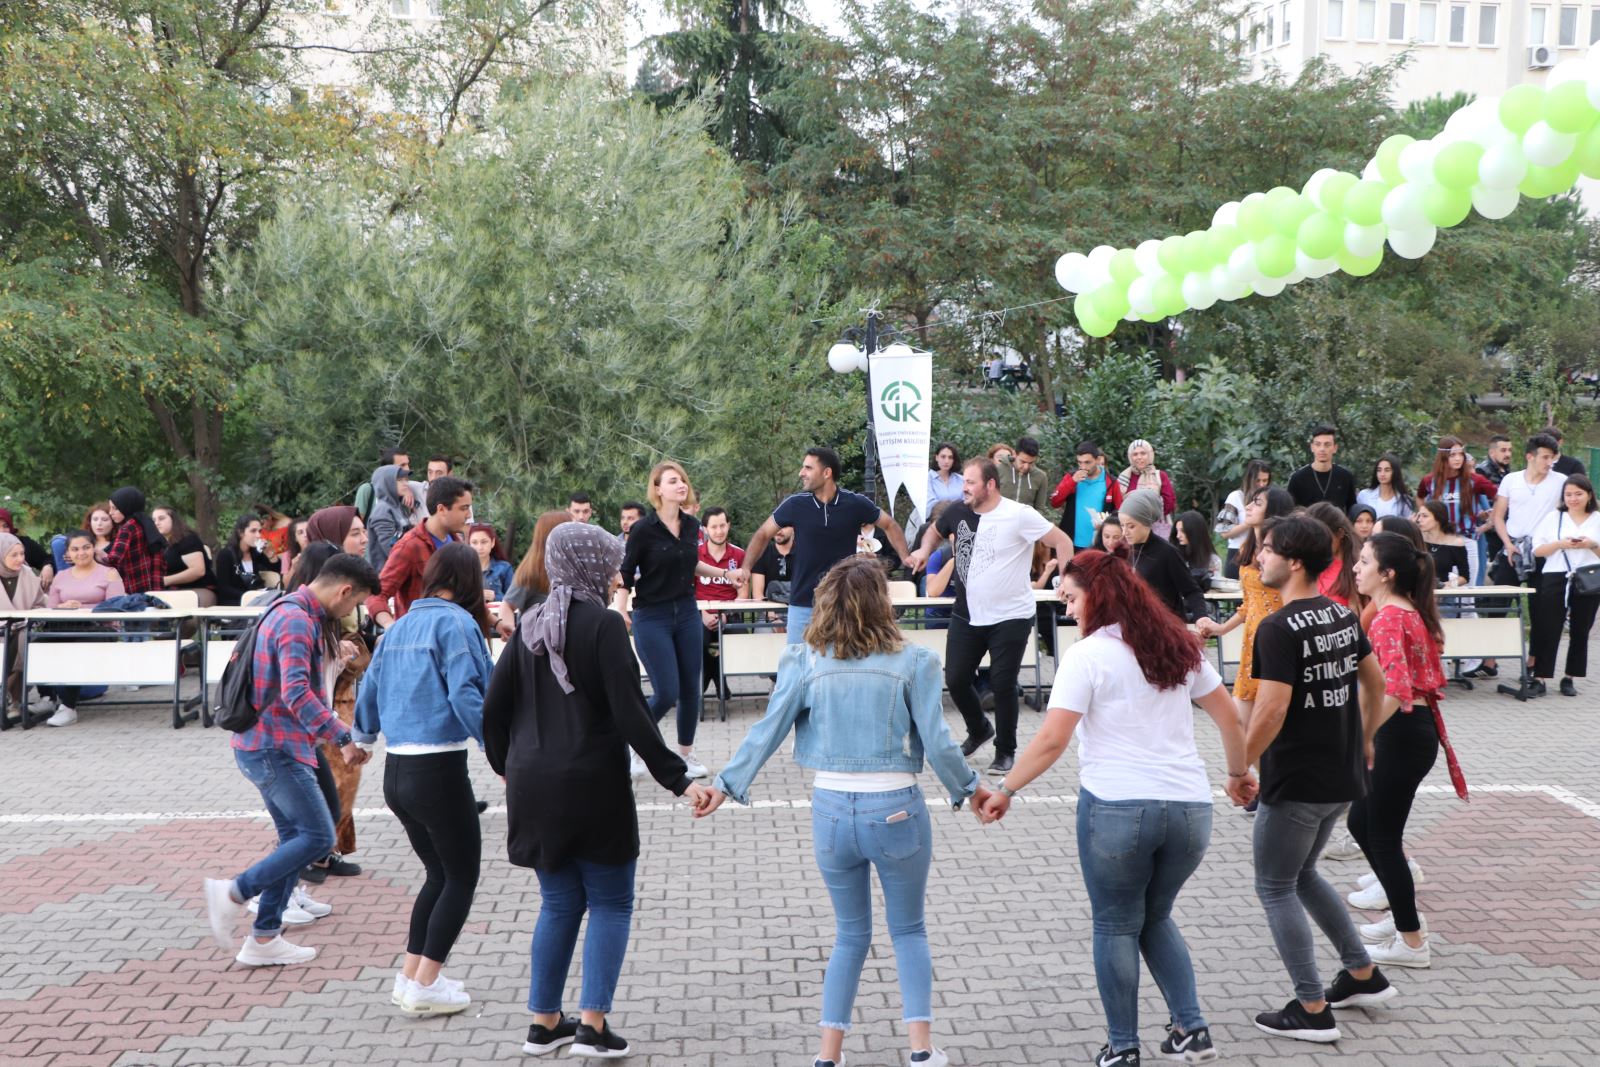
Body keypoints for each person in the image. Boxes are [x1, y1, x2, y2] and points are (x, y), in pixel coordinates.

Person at [703, 555, 986, 1067]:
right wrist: (970, 789)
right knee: (909, 930)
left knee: (850, 935)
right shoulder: (915, 661)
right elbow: (941, 744)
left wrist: (725, 785)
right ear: (883, 603)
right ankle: (921, 1049)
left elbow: (766, 730)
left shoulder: (805, 659)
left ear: (826, 602)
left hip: (830, 811)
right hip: (897, 809)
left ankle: (827, 1056)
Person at [977, 550, 1256, 1067]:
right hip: (1191, 812)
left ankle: (1123, 1046)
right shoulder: (1179, 645)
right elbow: (1230, 721)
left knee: (1115, 924)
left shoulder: (1087, 656)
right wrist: (1239, 774)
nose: (1068, 609)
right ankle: (1191, 1029)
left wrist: (1006, 789)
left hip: (1118, 810)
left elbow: (1052, 740)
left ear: (1098, 595)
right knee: (1155, 915)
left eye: (1072, 597)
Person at [482, 523, 712, 1059]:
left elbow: (493, 711)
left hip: (534, 786)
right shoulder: (605, 626)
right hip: (592, 785)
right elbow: (632, 714)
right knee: (610, 903)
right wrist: (678, 780)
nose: (615, 576)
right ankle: (592, 1025)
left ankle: (542, 1024)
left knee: (558, 904)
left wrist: (507, 767)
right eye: (609, 565)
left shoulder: (531, 624)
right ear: (585, 565)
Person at [1244, 514, 1395, 1042]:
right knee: (1304, 874)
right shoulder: (1340, 614)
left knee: (1274, 885)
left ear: (1295, 562)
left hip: (1298, 781)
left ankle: (1311, 1008)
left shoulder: (1278, 627)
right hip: (1341, 776)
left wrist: (1240, 766)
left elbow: (1270, 710)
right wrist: (1367, 737)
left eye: (1267, 549)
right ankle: (1361, 973)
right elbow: (1376, 683)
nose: (1259, 557)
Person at [203, 554, 380, 967]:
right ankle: (233, 892)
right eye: (355, 604)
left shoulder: (287, 610)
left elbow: (302, 691)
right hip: (274, 748)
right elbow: (297, 693)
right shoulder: (298, 620)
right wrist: (343, 737)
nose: (351, 612)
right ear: (344, 591)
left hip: (270, 744)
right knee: (318, 837)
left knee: (296, 840)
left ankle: (263, 940)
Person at [354, 544, 494, 1016]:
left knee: (438, 874)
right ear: (468, 580)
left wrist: (363, 738)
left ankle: (411, 976)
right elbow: (467, 694)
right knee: (460, 877)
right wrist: (499, 748)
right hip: (439, 768)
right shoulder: (458, 623)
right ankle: (425, 985)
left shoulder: (400, 626)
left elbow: (369, 686)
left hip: (397, 771)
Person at [905, 458, 1073, 774]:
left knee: (1002, 682)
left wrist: (1067, 580)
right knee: (955, 678)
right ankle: (979, 729)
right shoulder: (957, 511)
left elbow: (1061, 541)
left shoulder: (1019, 515)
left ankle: (1005, 751)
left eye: (970, 482)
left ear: (990, 485)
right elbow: (934, 533)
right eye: (964, 482)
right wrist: (923, 552)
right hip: (967, 614)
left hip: (1010, 616)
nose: (963, 488)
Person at [1347, 532, 1468, 971]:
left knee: (1381, 836)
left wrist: (1362, 739)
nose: (1356, 568)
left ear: (1388, 573)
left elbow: (1395, 689)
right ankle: (1404, 919)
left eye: (1364, 561)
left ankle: (1412, 942)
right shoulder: (1403, 610)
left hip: (1402, 733)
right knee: (1362, 823)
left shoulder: (1388, 618)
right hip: (1411, 732)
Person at [619, 463, 738, 779]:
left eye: (682, 479)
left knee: (690, 690)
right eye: (673, 481)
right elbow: (627, 571)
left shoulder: (692, 525)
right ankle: (632, 746)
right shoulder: (643, 529)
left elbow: (692, 563)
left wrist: (726, 573)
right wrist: (619, 608)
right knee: (666, 691)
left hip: (686, 612)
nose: (681, 484)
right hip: (651, 616)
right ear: (658, 489)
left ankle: (686, 755)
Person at [733, 447, 913, 643]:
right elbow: (762, 534)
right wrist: (746, 567)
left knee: (839, 663)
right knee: (798, 664)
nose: (802, 473)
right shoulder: (795, 504)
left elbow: (890, 524)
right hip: (802, 604)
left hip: (843, 603)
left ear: (827, 473)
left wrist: (905, 557)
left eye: (808, 468)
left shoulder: (855, 503)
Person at [1197, 485, 1295, 731]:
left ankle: (1251, 769)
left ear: (1274, 511)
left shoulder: (1286, 552)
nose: (1248, 507)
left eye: (1257, 503)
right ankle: (1248, 769)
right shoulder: (1247, 548)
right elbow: (1249, 603)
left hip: (1277, 636)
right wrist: (1220, 628)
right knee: (1240, 722)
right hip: (1252, 638)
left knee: (1270, 721)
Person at [1491, 434, 1567, 694]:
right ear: (1530, 456)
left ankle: (1534, 661)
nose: (1549, 462)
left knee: (1540, 610)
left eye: (1553, 457)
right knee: (1497, 601)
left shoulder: (1560, 482)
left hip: (1543, 551)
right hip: (1513, 548)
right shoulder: (1511, 480)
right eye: (1545, 457)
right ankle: (1489, 658)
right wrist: (1507, 544)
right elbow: (1498, 516)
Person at [36, 531, 127, 726]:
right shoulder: (61, 576)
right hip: (64, 627)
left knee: (73, 648)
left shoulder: (109, 573)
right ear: (68, 553)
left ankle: (68, 708)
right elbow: (51, 609)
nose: (81, 553)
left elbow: (116, 608)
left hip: (99, 629)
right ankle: (47, 698)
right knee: (37, 644)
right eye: (75, 549)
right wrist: (62, 607)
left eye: (86, 547)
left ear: (93, 548)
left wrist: (83, 608)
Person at [367, 476, 475, 629]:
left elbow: (471, 598)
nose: (469, 515)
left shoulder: (458, 545)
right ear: (442, 509)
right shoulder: (410, 546)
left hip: (455, 637)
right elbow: (377, 594)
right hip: (418, 641)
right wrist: (391, 627)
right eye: (464, 508)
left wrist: (496, 623)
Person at [1529, 475, 1600, 697]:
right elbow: (1537, 550)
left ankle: (1570, 677)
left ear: (1589, 494)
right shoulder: (1554, 517)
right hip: (1556, 575)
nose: (1573, 498)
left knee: (1581, 629)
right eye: (1568, 494)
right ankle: (1540, 677)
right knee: (1548, 627)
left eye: (1578, 494)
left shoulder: (1597, 519)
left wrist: (1591, 545)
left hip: (1588, 577)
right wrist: (1561, 544)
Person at [1417, 436, 1498, 588]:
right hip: (1439, 541)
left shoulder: (1475, 480)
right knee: (1441, 589)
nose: (1458, 458)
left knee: (1467, 593)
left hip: (1466, 540)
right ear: (1443, 456)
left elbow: (1499, 497)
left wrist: (1490, 522)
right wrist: (1423, 518)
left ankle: (1468, 612)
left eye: (1461, 454)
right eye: (1453, 454)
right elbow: (1420, 497)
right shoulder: (1429, 481)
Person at [1118, 489, 1207, 622]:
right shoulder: (1123, 551)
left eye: (1131, 526)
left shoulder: (1167, 552)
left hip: (1167, 627)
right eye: (1122, 526)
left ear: (1147, 523)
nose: (1125, 532)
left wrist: (1201, 617)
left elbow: (1191, 590)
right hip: (1136, 627)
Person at [695, 507, 746, 703]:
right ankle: (719, 681)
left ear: (728, 526)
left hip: (729, 614)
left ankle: (709, 680)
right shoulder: (695, 556)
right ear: (705, 529)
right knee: (703, 638)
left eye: (722, 525)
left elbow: (743, 593)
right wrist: (703, 614)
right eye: (714, 527)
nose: (719, 531)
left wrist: (725, 613)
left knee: (716, 637)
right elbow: (687, 592)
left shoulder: (739, 555)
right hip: (701, 614)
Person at [0, 533, 50, 717]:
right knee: (15, 639)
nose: (20, 559)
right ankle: (13, 699)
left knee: (23, 639)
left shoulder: (27, 573)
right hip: (1, 631)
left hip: (23, 628)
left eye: (22, 554)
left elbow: (39, 604)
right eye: (14, 555)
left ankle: (10, 695)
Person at [1051, 441, 1126, 553]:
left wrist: (1106, 522)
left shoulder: (1111, 482)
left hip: (1099, 544)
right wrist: (1072, 482)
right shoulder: (1072, 477)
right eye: (1080, 463)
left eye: (1087, 462)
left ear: (1098, 460)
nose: (1083, 467)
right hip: (1071, 542)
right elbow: (1055, 502)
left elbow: (1120, 513)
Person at [104, 487, 168, 595]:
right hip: (152, 587)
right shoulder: (144, 524)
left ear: (126, 507)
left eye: (115, 508)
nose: (110, 513)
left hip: (132, 588)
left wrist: (94, 554)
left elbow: (114, 558)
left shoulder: (127, 528)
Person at [1216, 460, 1272, 578]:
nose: (1262, 484)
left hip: (1264, 552)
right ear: (1249, 479)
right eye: (1258, 480)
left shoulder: (1271, 498)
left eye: (1265, 480)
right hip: (1238, 553)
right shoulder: (1236, 496)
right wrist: (1249, 522)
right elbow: (1225, 532)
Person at [153, 506, 216, 606]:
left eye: (161, 518)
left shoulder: (188, 539)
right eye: (154, 520)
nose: (156, 523)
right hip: (171, 591)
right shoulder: (159, 545)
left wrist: (165, 581)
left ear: (173, 519)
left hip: (198, 589)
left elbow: (198, 571)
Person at [1287, 425, 1357, 512]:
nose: (1322, 449)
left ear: (1335, 448)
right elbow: (1289, 513)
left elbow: (1352, 511)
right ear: (1312, 447)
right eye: (1318, 444)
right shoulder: (1298, 478)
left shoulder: (1346, 477)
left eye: (1327, 445)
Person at [214, 514, 279, 607]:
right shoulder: (226, 555)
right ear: (241, 533)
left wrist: (270, 554)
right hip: (234, 604)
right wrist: (249, 596)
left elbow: (277, 570)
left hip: (256, 602)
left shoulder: (256, 553)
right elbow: (224, 588)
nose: (258, 535)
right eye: (253, 531)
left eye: (259, 531)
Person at [1118, 439, 1177, 540]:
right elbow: (1118, 503)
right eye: (1135, 454)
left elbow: (1169, 503)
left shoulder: (1160, 476)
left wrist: (1147, 514)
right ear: (1130, 457)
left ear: (1150, 454)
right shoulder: (1124, 478)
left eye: (1143, 453)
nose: (1139, 457)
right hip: (1130, 531)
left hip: (1156, 530)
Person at [1306, 502, 1360, 609]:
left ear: (1340, 533)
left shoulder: (1356, 569)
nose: (1315, 544)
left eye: (1320, 537)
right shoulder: (1313, 565)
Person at [365, 464, 415, 573]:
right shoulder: (382, 510)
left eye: (406, 480)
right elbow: (391, 548)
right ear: (386, 483)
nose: (406, 483)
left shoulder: (396, 506)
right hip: (385, 576)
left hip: (398, 571)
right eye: (400, 480)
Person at [1416, 501, 1470, 588]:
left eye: (1425, 516)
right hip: (1418, 591)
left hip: (1442, 593)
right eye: (1419, 516)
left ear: (1438, 519)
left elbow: (1464, 577)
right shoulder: (1416, 538)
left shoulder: (1456, 543)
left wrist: (1445, 585)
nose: (1419, 520)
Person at [997, 436, 1055, 516]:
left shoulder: (1041, 477)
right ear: (1014, 454)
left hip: (1026, 526)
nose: (1026, 467)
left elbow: (1040, 508)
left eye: (1031, 463)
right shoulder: (997, 470)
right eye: (1023, 462)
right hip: (999, 522)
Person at [1356, 454, 1416, 520]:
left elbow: (1408, 524)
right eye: (1379, 470)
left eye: (1387, 470)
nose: (1382, 474)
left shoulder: (1404, 500)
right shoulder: (1364, 495)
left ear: (1395, 472)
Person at [467, 524, 515, 602]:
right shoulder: (462, 568)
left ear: (492, 543)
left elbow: (513, 599)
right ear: (469, 544)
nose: (479, 547)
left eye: (484, 542)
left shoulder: (504, 568)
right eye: (474, 543)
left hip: (496, 613)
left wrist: (495, 597)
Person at [1172, 510, 1219, 589]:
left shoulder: (1213, 560)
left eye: (1182, 531)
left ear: (1194, 532)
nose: (1178, 535)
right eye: (1177, 531)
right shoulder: (1174, 555)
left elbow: (1214, 586)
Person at [927, 442, 965, 509]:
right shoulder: (927, 479)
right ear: (936, 457)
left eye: (950, 457)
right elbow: (930, 505)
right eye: (943, 457)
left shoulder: (961, 479)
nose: (947, 461)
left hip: (959, 518)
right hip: (935, 518)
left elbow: (967, 502)